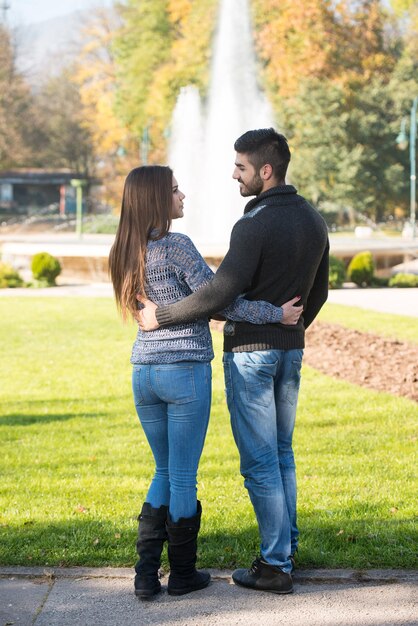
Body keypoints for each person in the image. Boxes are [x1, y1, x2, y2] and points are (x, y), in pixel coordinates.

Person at [137, 129, 330, 595]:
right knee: (282, 455)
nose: (233, 175)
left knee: (260, 462)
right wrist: (292, 329)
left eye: (241, 167)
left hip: (250, 355)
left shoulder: (253, 224)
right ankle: (285, 549)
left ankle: (275, 564)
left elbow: (221, 293)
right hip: (290, 350)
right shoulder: (314, 220)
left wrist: (160, 315)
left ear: (265, 171)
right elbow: (319, 292)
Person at [108, 164, 303, 600]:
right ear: (158, 199)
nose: (183, 196)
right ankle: (181, 575)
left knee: (163, 469)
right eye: (176, 190)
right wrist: (278, 313)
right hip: (185, 373)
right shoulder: (175, 246)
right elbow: (220, 301)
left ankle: (144, 575)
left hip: (144, 372)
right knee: (181, 475)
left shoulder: (124, 249)